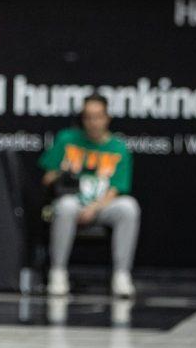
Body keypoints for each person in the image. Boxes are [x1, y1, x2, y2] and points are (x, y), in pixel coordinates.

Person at [40, 94, 140, 298]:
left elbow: (116, 189)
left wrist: (94, 208)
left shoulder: (118, 147)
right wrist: (62, 171)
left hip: (102, 206)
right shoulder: (66, 140)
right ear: (82, 119)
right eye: (88, 117)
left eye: (97, 116)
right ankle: (58, 273)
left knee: (129, 207)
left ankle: (121, 275)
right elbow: (46, 179)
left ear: (107, 117)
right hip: (72, 203)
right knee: (65, 206)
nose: (93, 122)